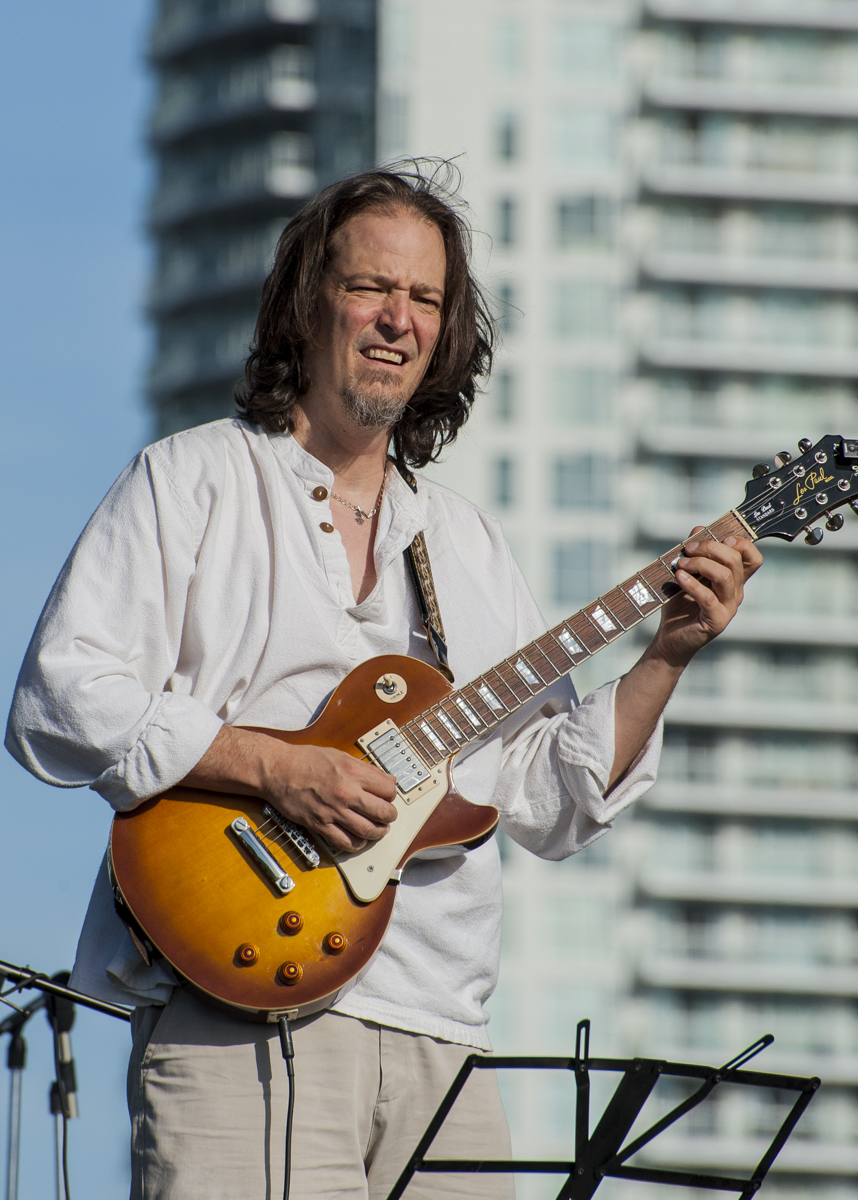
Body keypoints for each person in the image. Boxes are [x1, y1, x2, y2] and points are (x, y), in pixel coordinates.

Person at [5, 165, 761, 1200]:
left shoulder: (469, 546)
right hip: (238, 1011)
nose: (398, 321)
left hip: (440, 1039)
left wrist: (667, 654)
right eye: (371, 287)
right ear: (306, 300)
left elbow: (545, 798)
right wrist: (276, 768)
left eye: (426, 300)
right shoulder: (191, 481)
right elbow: (60, 697)